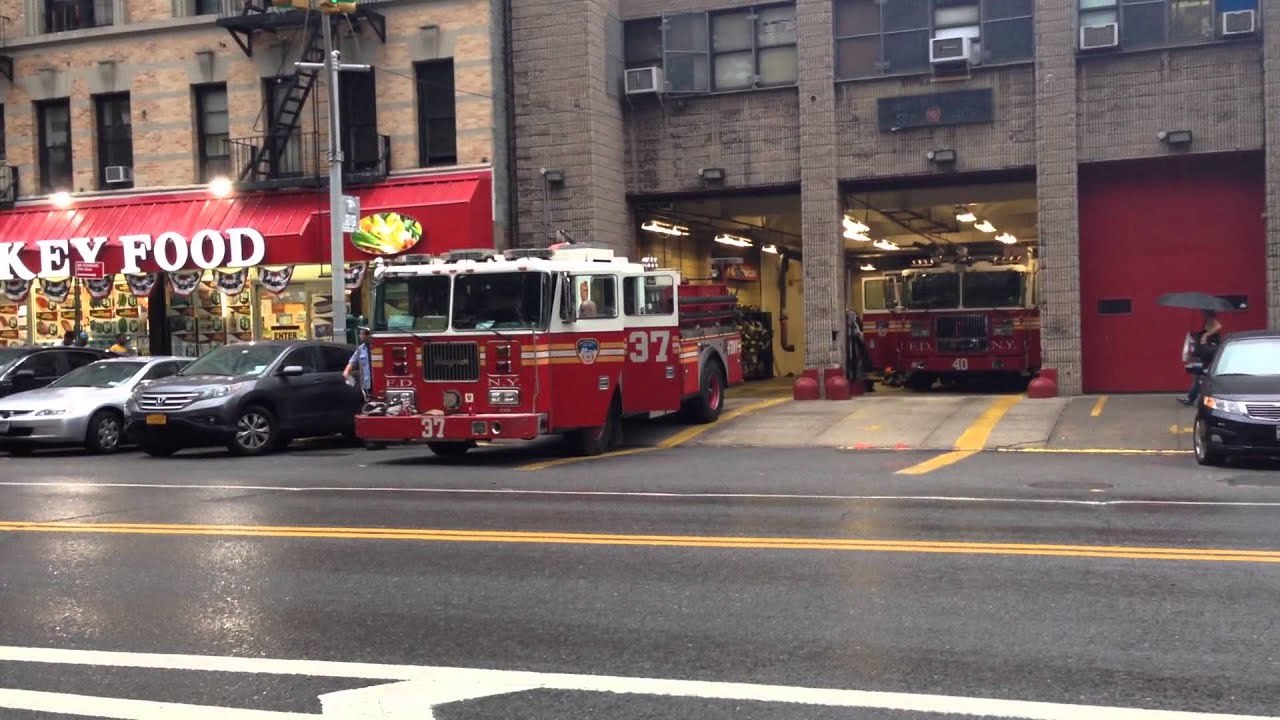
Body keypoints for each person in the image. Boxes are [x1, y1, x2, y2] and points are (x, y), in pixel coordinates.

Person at [1180, 309, 1222, 406]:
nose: (1201, 313)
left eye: (1203, 311)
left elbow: (1218, 326)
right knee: (1200, 376)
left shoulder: (1212, 319)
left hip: (1209, 352)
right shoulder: (1208, 319)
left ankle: (1194, 399)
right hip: (1206, 351)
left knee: (1202, 375)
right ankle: (1192, 398)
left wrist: (1205, 336)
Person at [343, 327, 373, 400]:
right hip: (367, 384)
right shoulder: (360, 349)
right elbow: (352, 362)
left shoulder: (377, 347)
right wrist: (347, 371)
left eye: (361, 334)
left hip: (378, 383)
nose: (360, 336)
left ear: (368, 335)